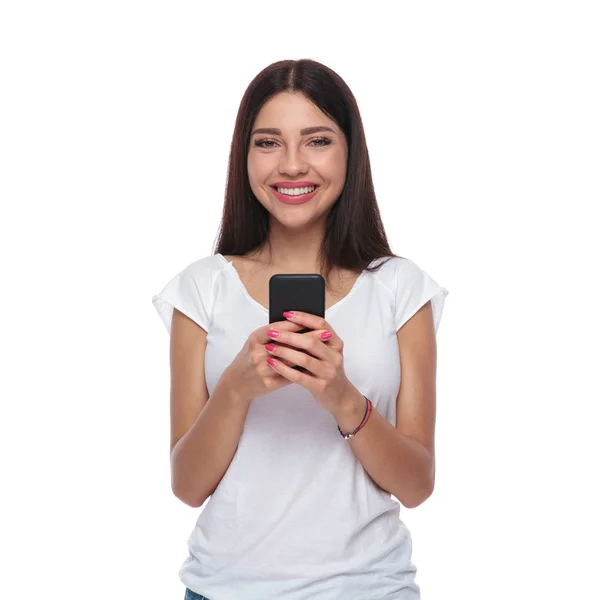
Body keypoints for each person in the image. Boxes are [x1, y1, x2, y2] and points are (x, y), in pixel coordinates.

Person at [152, 58, 449, 600]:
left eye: (316, 140)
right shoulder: (200, 289)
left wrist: (340, 397)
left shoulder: (402, 289)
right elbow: (188, 486)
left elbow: (417, 485)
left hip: (368, 589)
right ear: (244, 156)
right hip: (223, 589)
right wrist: (236, 389)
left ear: (349, 153)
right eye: (268, 143)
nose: (291, 165)